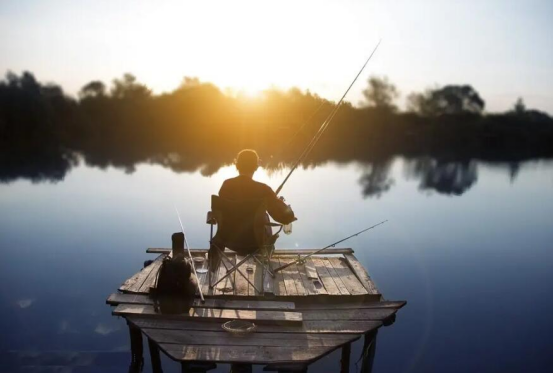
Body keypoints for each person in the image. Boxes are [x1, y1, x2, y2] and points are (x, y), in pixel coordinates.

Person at [219, 149, 296, 233]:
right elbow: (286, 218)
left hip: (229, 238)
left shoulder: (226, 185)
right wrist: (281, 204)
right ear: (256, 167)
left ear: (237, 165)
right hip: (255, 241)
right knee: (265, 217)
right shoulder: (264, 189)